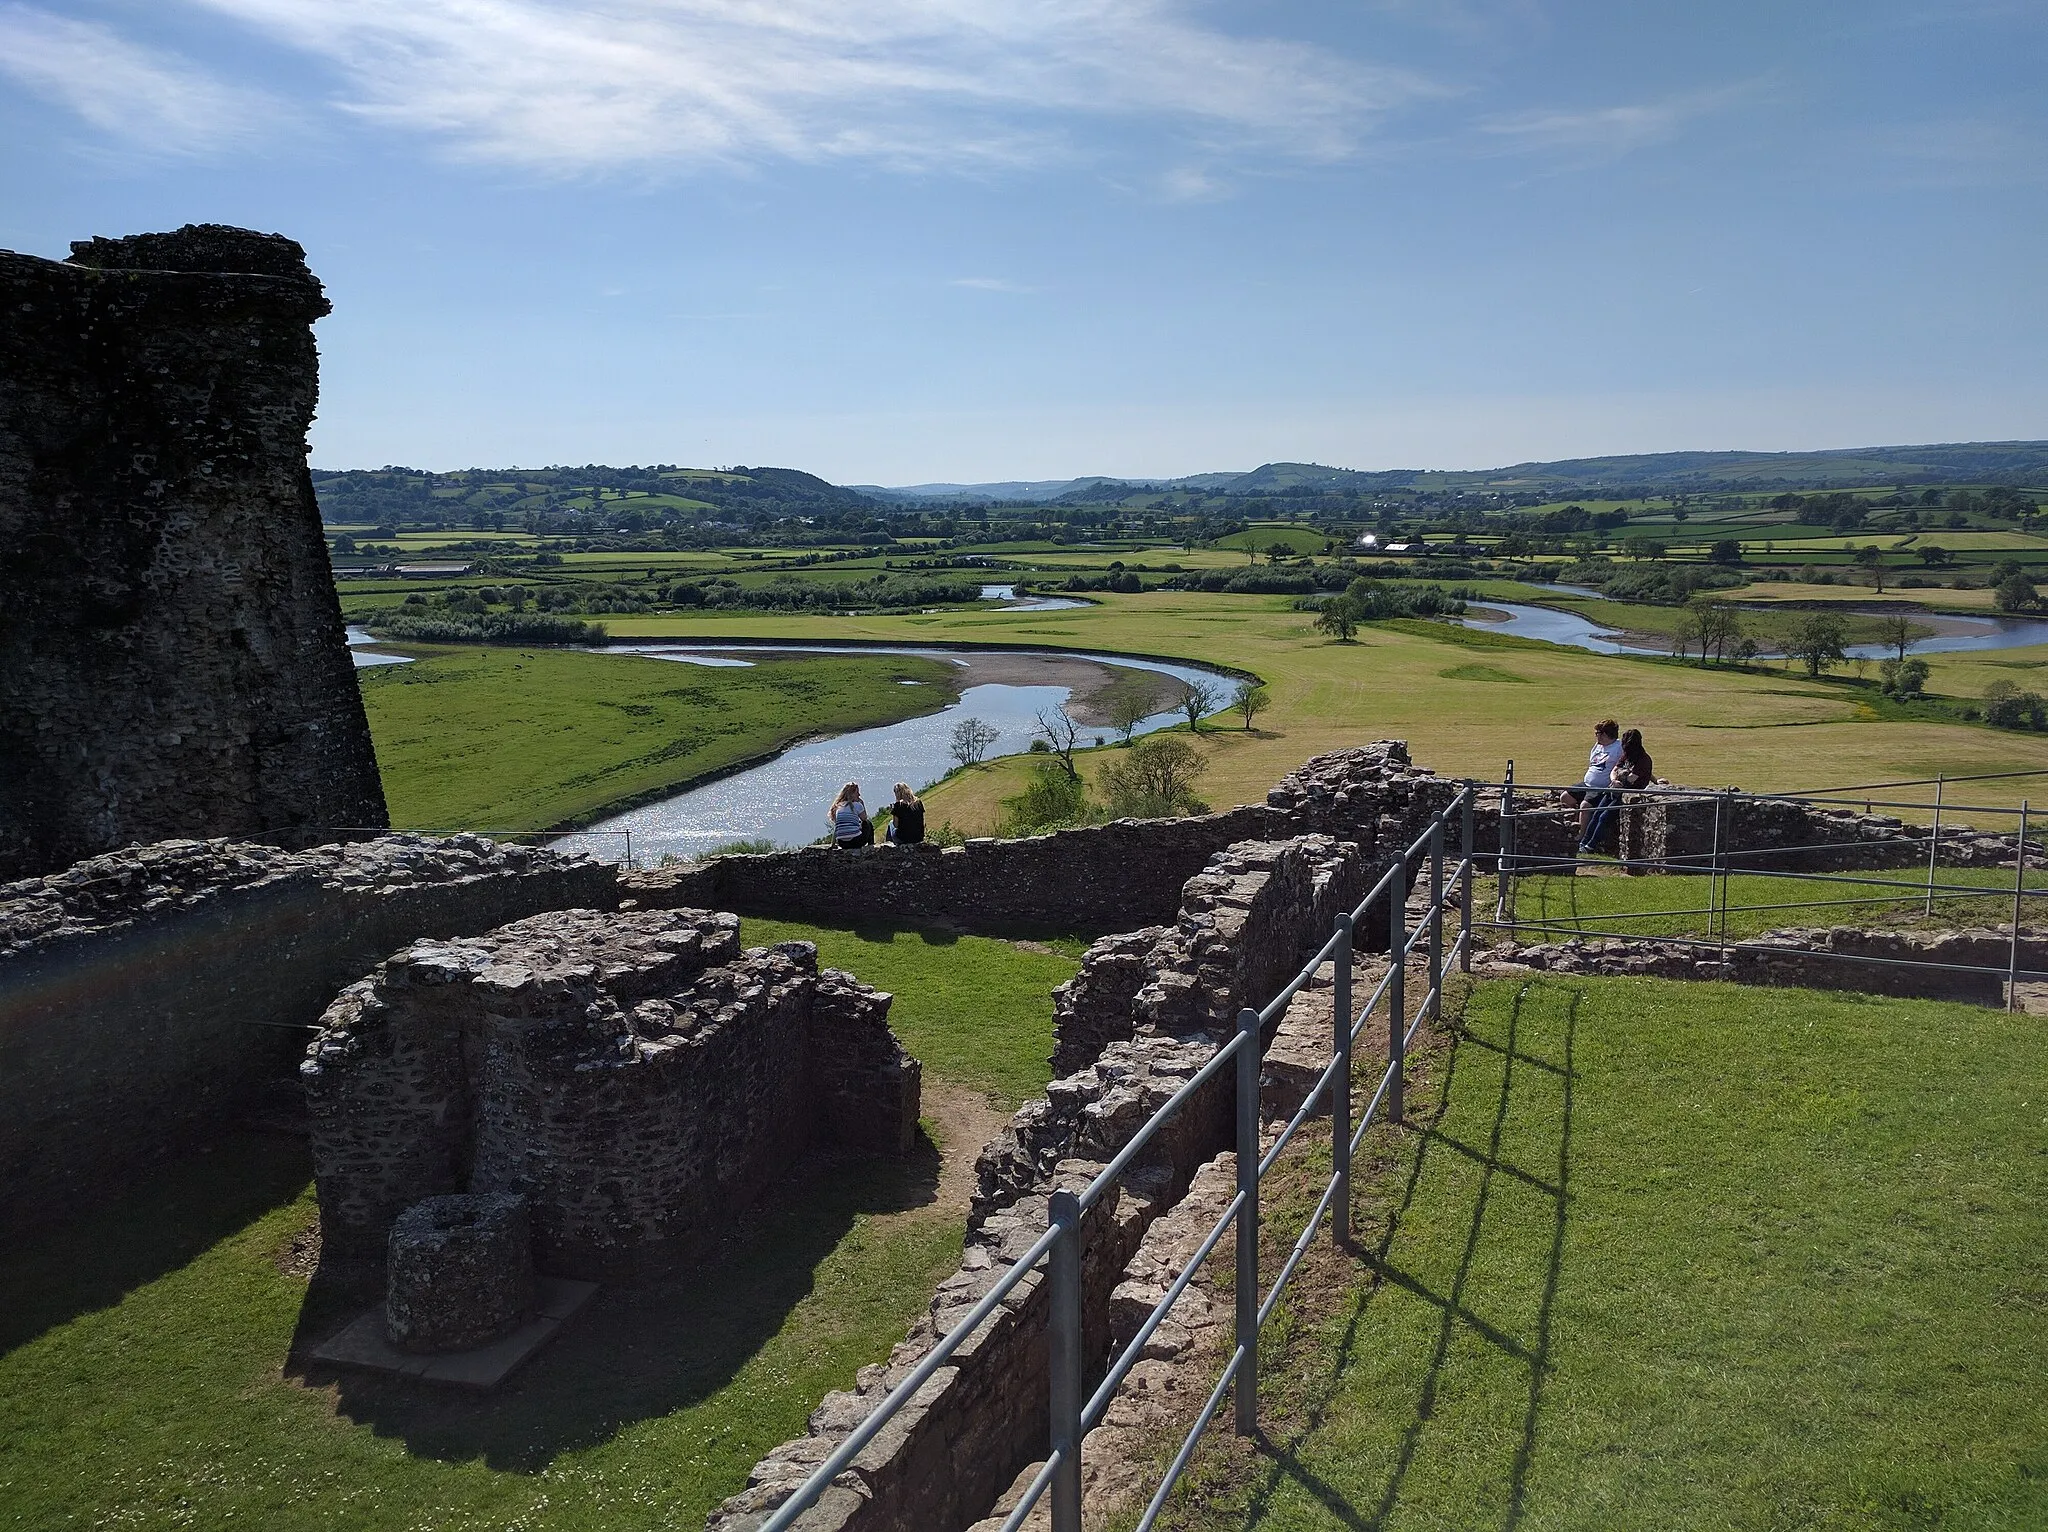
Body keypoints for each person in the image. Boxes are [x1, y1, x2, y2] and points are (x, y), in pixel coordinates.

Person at [1564, 719, 1621, 852]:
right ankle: (1578, 820)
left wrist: (1654, 780)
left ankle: (1582, 836)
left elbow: (1633, 763)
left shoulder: (1619, 748)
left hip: (1600, 788)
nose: (1596, 736)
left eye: (1597, 733)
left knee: (1585, 806)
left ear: (1605, 734)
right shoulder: (1597, 746)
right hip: (1587, 784)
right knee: (1565, 797)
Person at [828, 782, 871, 849]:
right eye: (857, 793)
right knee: (867, 823)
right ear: (852, 794)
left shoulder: (838, 806)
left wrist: (833, 844)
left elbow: (837, 827)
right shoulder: (857, 805)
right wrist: (862, 803)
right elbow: (864, 818)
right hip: (856, 841)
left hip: (842, 843)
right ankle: (871, 845)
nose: (859, 795)